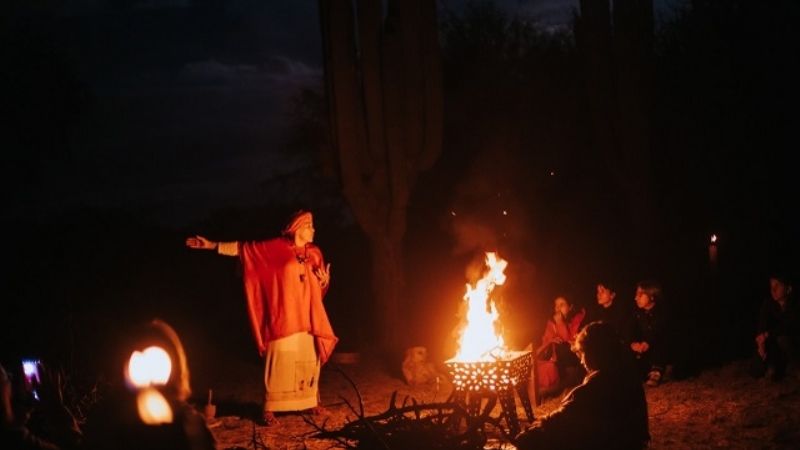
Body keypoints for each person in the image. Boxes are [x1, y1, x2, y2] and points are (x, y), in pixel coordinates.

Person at [185, 210, 337, 425]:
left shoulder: (315, 253)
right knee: (280, 359)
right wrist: (211, 245)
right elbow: (244, 249)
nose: (314, 230)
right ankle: (270, 407)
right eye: (309, 226)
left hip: (308, 315)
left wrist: (324, 281)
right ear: (297, 228)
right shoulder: (275, 248)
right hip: (284, 314)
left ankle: (309, 401)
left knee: (308, 359)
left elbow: (319, 286)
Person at [82, 319, 216, 450]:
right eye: (140, 361)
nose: (149, 378)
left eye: (157, 361)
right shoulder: (106, 418)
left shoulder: (191, 423)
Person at [515, 321, 650, 450]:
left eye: (582, 353)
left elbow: (558, 423)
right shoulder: (628, 377)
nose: (581, 360)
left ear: (594, 353)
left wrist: (527, 437)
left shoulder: (594, 389)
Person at [1, 362, 82, 450]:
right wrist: (55, 409)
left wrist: (17, 419)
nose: (12, 383)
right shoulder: (20, 442)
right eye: (6, 378)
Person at [533, 296, 586, 396]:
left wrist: (560, 323)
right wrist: (551, 341)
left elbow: (568, 341)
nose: (557, 308)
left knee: (563, 346)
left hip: (576, 359)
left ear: (570, 307)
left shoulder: (577, 319)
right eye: (556, 305)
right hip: (558, 362)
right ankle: (562, 384)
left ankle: (565, 383)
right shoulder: (551, 324)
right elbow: (545, 344)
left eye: (561, 305)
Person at [751, 273, 797, 381]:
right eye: (771, 286)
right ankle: (773, 367)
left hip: (791, 343)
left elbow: (789, 327)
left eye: (778, 285)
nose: (773, 289)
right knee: (756, 368)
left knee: (783, 339)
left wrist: (768, 334)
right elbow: (762, 325)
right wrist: (760, 342)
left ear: (788, 289)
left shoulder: (794, 305)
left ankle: (794, 365)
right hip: (773, 344)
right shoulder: (768, 304)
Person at [630, 280, 671, 387]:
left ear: (652, 296)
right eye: (636, 295)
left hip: (660, 349)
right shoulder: (637, 313)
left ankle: (658, 371)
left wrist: (648, 342)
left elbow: (661, 332)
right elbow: (632, 330)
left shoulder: (663, 312)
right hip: (644, 350)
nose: (636, 298)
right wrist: (633, 343)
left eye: (640, 295)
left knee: (660, 346)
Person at [587, 282, 635, 346]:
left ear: (612, 295)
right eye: (598, 291)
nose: (599, 294)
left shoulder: (620, 313)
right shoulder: (595, 313)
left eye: (602, 291)